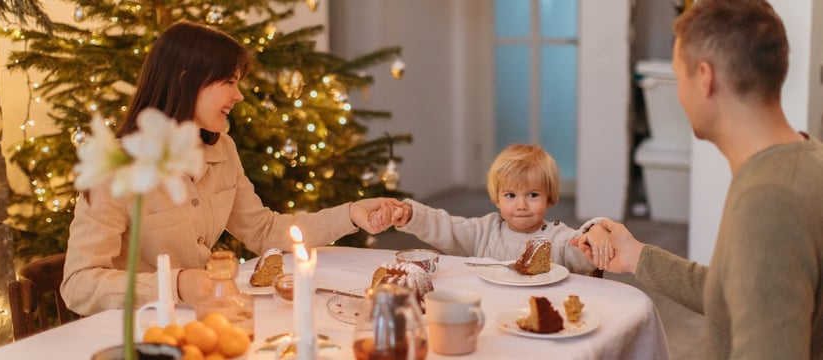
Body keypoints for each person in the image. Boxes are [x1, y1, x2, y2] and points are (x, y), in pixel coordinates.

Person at [61, 21, 403, 316]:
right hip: (140, 337)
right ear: (186, 80)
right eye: (229, 81)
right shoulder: (119, 167)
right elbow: (78, 284)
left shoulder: (221, 150)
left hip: (203, 324)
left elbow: (265, 230)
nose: (238, 95)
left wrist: (351, 214)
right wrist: (176, 284)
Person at [573, 0, 823, 358]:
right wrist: (636, 256)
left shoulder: (770, 201)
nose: (679, 93)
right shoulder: (803, 160)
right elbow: (739, 291)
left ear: (704, 78)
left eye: (679, 74)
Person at [384, 144, 610, 275]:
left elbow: (583, 255)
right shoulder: (483, 231)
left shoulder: (559, 238)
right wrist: (412, 215)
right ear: (497, 199)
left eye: (533, 195)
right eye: (511, 195)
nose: (521, 205)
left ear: (549, 198)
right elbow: (445, 227)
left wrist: (594, 234)